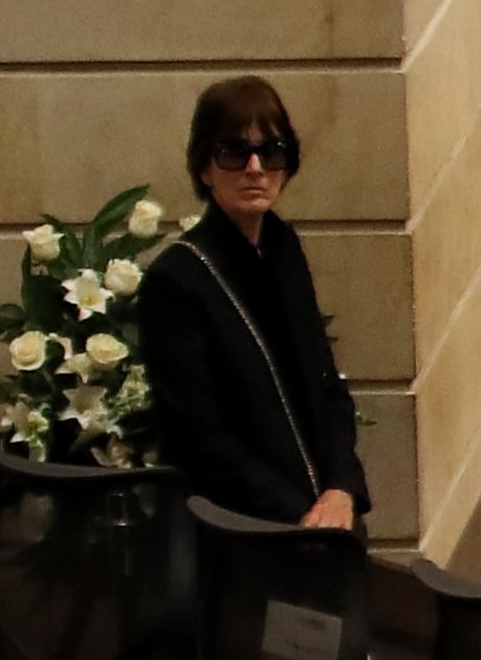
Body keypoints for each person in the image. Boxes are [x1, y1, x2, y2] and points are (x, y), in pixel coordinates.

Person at [142, 75, 370, 530]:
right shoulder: (177, 279)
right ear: (204, 168)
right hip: (243, 530)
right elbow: (197, 438)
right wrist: (299, 515)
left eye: (271, 152)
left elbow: (326, 386)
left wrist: (342, 488)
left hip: (325, 518)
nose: (254, 168)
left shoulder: (283, 248)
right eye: (233, 152)